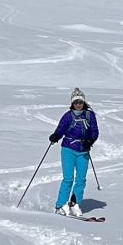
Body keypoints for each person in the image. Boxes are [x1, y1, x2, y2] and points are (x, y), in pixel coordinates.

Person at [48, 89, 99, 217]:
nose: (78, 104)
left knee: (81, 179)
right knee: (68, 179)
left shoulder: (89, 115)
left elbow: (94, 131)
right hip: (68, 150)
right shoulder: (68, 116)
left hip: (83, 151)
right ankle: (60, 205)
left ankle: (74, 204)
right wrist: (55, 136)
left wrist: (90, 140)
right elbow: (61, 129)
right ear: (72, 103)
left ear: (84, 102)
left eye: (80, 102)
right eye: (75, 102)